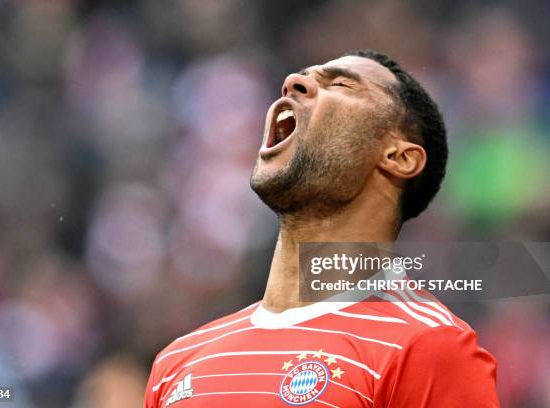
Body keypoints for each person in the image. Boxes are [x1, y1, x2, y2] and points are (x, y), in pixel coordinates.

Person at [144, 49, 499, 407]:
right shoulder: (178, 361)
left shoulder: (426, 346)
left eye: (342, 84)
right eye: (301, 76)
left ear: (398, 158)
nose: (293, 82)